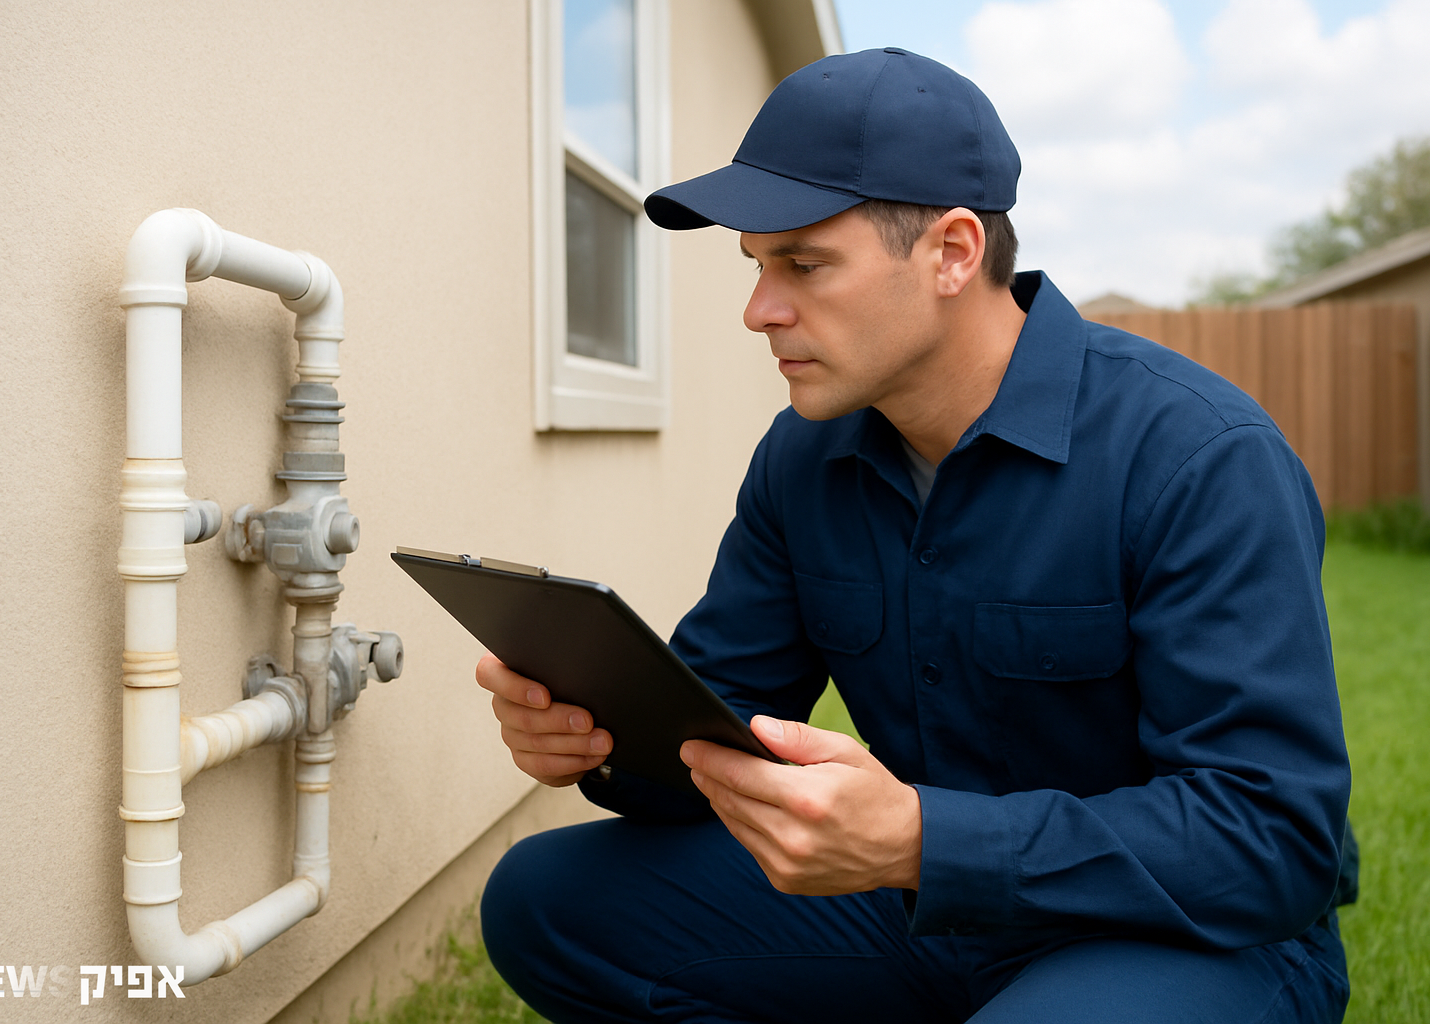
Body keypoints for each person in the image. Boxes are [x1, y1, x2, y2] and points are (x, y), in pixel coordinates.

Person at [476, 47, 1353, 1023]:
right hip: (926, 917)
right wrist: (600, 739)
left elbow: (1276, 838)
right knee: (546, 901)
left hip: (1184, 938)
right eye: (757, 266)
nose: (759, 311)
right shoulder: (803, 458)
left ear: (952, 251)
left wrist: (922, 840)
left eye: (804, 264)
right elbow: (722, 724)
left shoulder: (1197, 455)